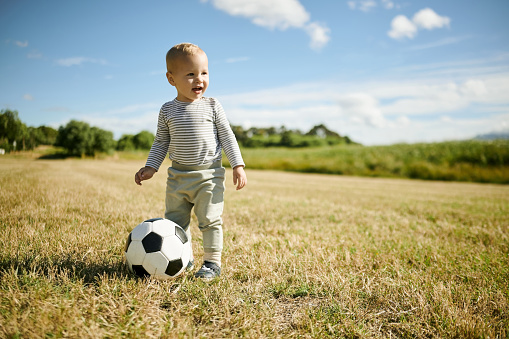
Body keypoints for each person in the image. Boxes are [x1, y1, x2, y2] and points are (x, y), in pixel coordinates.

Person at [134, 43, 247, 280]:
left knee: (210, 221)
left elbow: (227, 135)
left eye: (204, 73)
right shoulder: (167, 110)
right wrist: (151, 167)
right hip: (178, 177)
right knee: (175, 223)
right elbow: (161, 142)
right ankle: (184, 258)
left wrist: (237, 165)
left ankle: (212, 263)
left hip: (210, 176)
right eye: (190, 74)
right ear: (171, 78)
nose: (199, 80)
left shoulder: (213, 105)